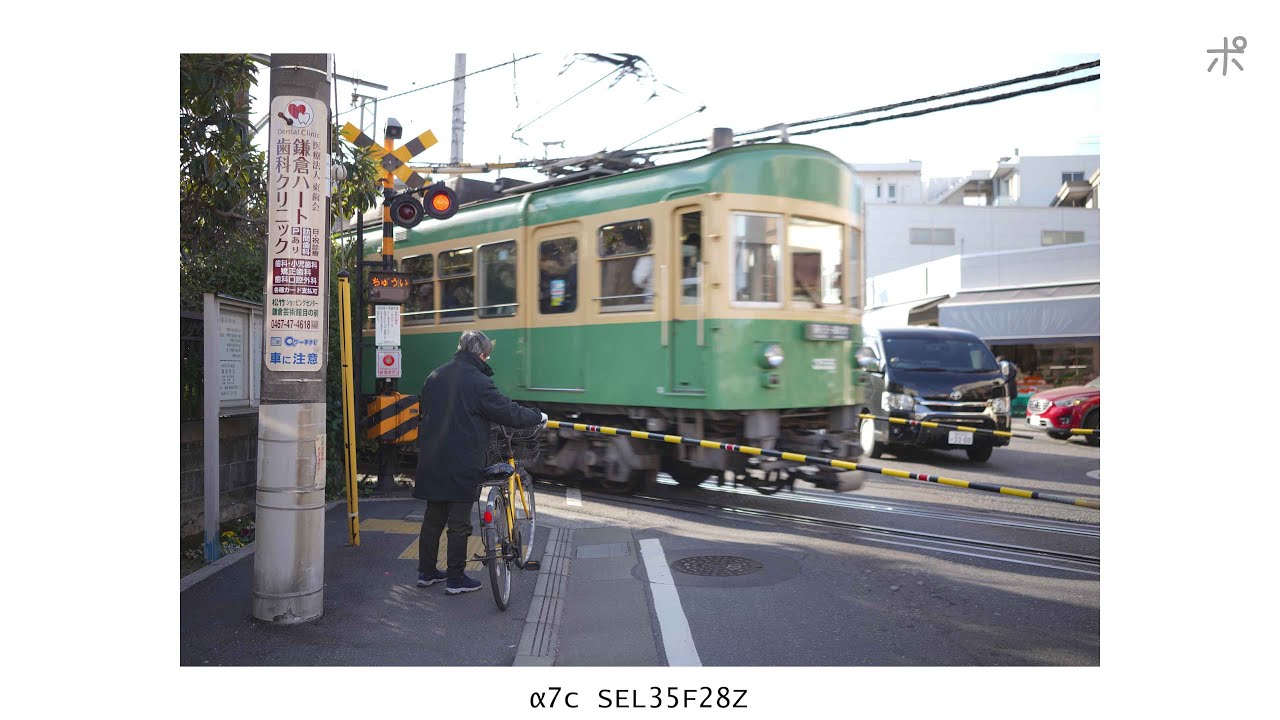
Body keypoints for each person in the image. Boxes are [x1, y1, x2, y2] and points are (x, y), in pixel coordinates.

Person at [413, 331, 545, 595]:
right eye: (488, 354)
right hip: (461, 460)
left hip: (432, 456)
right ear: (482, 354)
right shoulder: (477, 381)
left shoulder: (435, 376)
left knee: (433, 517)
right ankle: (456, 578)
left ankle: (426, 572)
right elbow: (507, 411)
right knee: (459, 522)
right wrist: (536, 416)